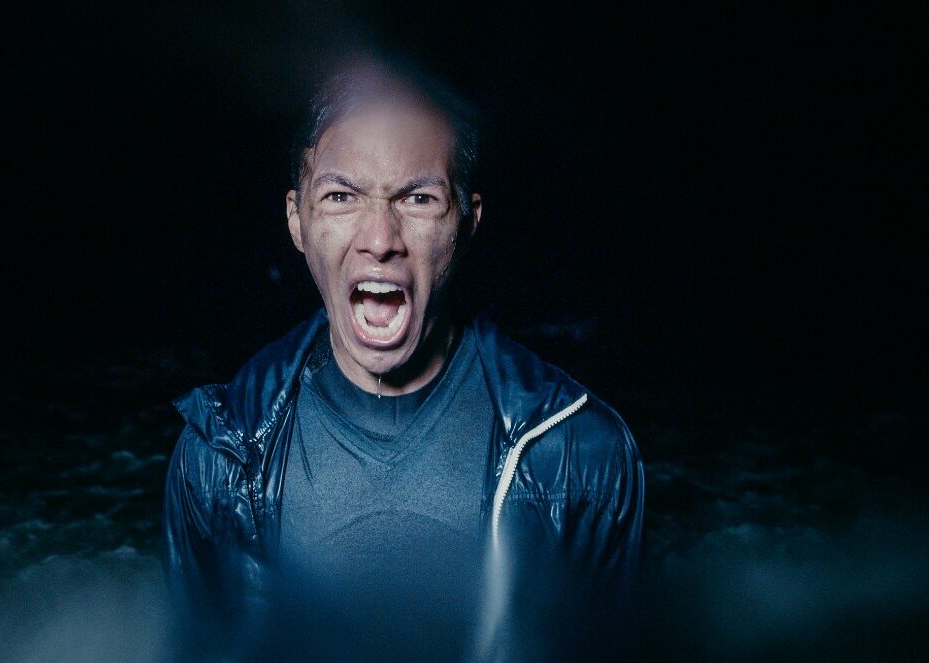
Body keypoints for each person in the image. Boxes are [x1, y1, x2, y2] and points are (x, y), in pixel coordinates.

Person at [164, 59, 644, 661]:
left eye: (418, 198)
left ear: (466, 222)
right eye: (341, 196)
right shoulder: (217, 458)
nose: (380, 239)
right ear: (297, 220)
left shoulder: (582, 454)